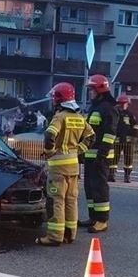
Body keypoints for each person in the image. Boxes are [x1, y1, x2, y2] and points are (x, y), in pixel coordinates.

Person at [36, 82, 95, 246]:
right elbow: (91, 137)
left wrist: (49, 151)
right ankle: (70, 234)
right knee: (71, 200)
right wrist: (78, 150)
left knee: (57, 201)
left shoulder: (60, 117)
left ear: (58, 99)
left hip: (59, 168)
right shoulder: (79, 117)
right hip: (74, 166)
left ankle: (55, 236)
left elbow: (49, 135)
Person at [79, 74, 118, 234]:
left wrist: (102, 154)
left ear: (100, 90)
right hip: (90, 155)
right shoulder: (94, 107)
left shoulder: (108, 108)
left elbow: (110, 133)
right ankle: (93, 217)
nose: (90, 92)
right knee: (90, 187)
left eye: (91, 89)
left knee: (100, 187)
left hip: (101, 156)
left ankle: (102, 220)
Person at [111, 95, 138, 183]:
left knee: (128, 158)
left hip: (128, 141)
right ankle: (111, 175)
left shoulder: (130, 114)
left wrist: (135, 136)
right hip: (116, 140)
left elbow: (135, 126)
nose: (124, 105)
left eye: (126, 104)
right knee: (114, 158)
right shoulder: (114, 114)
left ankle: (127, 176)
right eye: (123, 104)